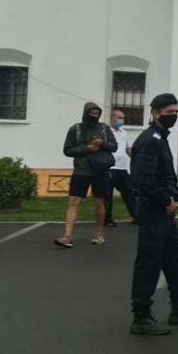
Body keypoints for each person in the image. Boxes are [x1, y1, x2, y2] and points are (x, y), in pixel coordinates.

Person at [129, 93, 178, 336]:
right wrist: (166, 200)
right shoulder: (150, 140)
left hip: (164, 209)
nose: (173, 116)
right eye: (169, 112)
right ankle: (141, 316)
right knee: (149, 261)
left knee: (176, 256)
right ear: (155, 113)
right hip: (154, 208)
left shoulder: (160, 137)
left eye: (176, 112)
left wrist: (170, 198)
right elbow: (143, 180)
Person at [54, 101, 118, 248]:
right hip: (81, 170)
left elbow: (114, 147)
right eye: (93, 113)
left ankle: (99, 233)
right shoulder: (75, 129)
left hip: (101, 171)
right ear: (86, 113)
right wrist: (87, 148)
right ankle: (67, 236)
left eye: (98, 113)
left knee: (99, 201)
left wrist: (102, 143)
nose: (95, 115)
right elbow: (67, 150)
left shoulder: (104, 128)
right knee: (73, 201)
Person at [104, 108, 137, 228]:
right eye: (119, 118)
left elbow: (128, 149)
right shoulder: (106, 132)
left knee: (130, 192)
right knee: (107, 195)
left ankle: (136, 216)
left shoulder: (124, 132)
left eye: (123, 118)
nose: (122, 120)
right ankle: (107, 219)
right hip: (108, 168)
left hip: (122, 169)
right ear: (112, 118)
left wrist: (137, 157)